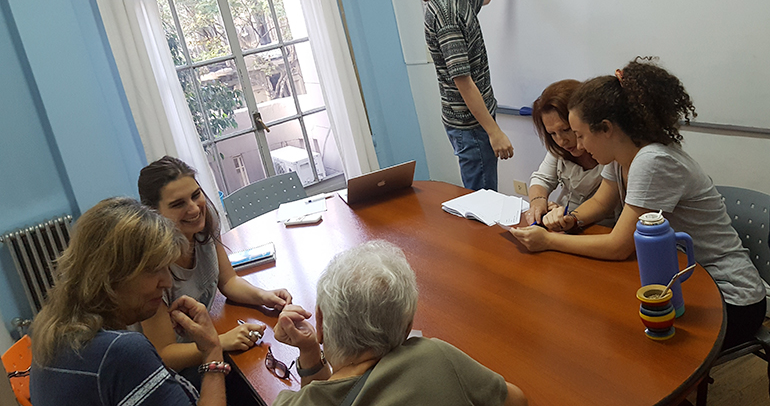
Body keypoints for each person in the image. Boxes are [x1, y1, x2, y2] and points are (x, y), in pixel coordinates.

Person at [509, 57, 766, 348]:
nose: (578, 146)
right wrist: (573, 219)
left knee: (614, 334)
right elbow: (602, 204)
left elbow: (619, 246)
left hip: (727, 297)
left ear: (606, 129)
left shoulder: (651, 161)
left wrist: (548, 241)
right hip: (684, 280)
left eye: (580, 135)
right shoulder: (622, 155)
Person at [270, 240, 528, 406]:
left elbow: (326, 392)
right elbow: (516, 400)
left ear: (321, 321)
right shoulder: (434, 356)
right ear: (407, 328)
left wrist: (310, 351)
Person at [30, 198, 226, 406]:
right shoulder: (122, 351)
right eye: (153, 269)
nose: (167, 282)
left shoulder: (53, 330)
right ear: (110, 274)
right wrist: (212, 351)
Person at [138, 156, 291, 374]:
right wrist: (219, 342)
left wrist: (263, 296)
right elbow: (164, 353)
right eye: (178, 204)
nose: (194, 209)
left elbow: (228, 281)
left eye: (195, 195)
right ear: (153, 213)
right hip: (175, 371)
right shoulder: (150, 268)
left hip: (204, 347)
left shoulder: (203, 225)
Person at [416, 0, 519, 191]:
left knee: (485, 197)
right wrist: (493, 131)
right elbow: (463, 81)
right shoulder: (446, 13)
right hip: (471, 126)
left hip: (477, 121)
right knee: (483, 201)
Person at [525, 79, 603, 226]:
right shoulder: (559, 150)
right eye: (552, 134)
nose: (561, 141)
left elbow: (602, 203)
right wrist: (539, 203)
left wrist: (566, 218)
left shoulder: (609, 154)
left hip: (599, 229)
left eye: (566, 130)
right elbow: (541, 179)